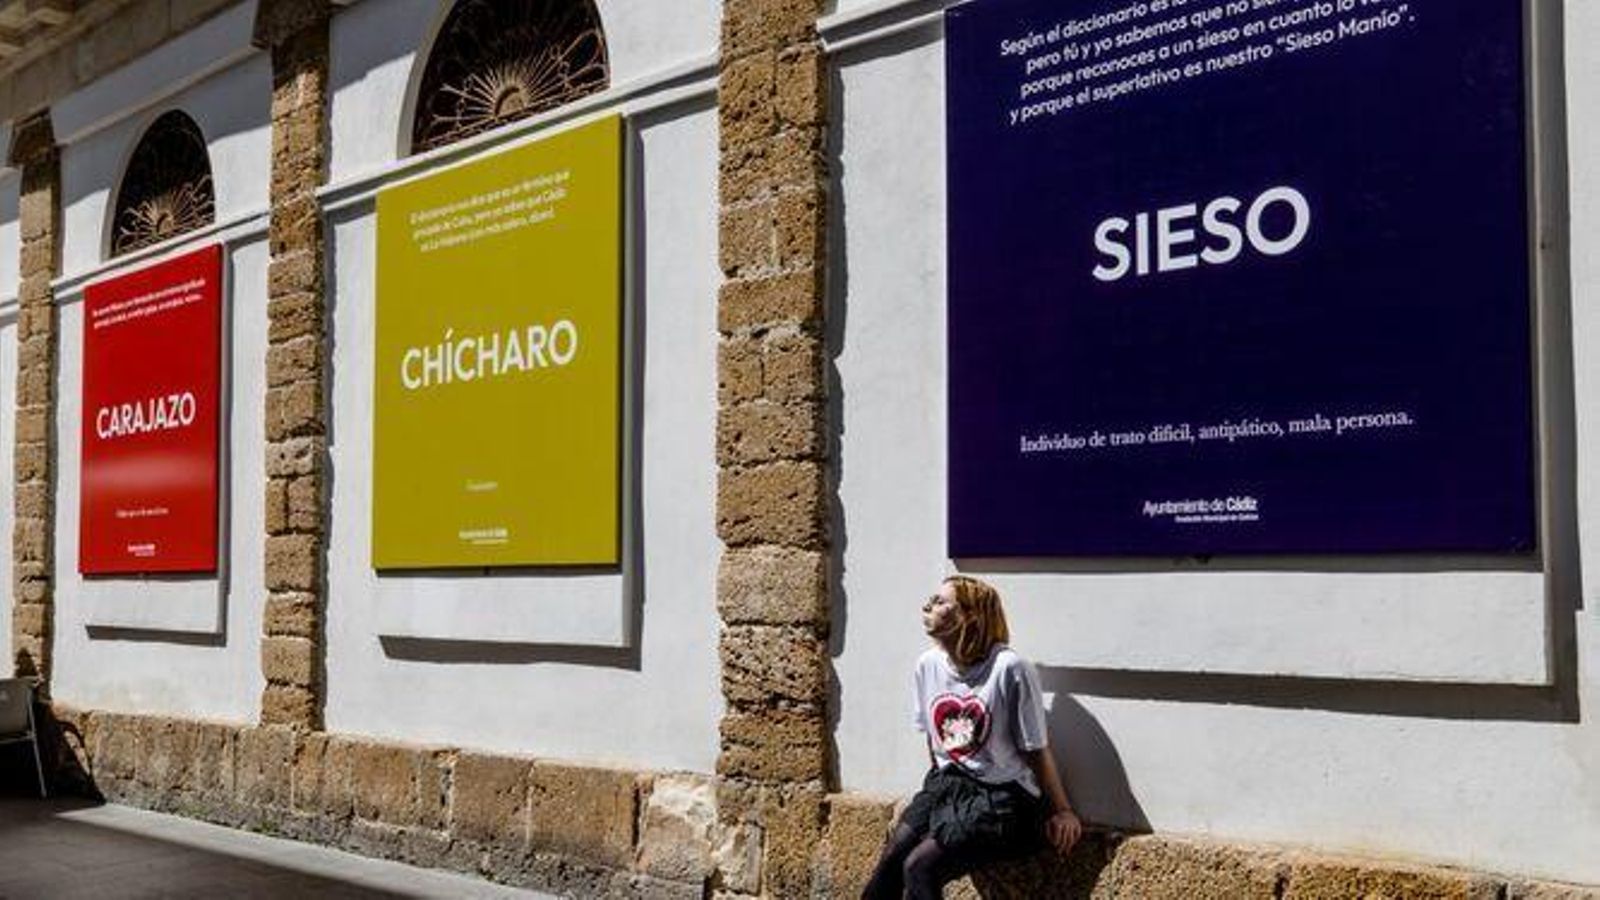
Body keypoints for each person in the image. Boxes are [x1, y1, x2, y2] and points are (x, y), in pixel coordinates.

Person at [862, 575, 1082, 899]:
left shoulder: (1010, 668)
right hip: (947, 784)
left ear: (969, 616)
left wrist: (1062, 810)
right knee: (894, 855)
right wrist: (936, 792)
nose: (928, 606)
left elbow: (1036, 749)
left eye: (940, 602)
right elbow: (935, 742)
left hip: (1002, 798)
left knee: (918, 867)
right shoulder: (928, 665)